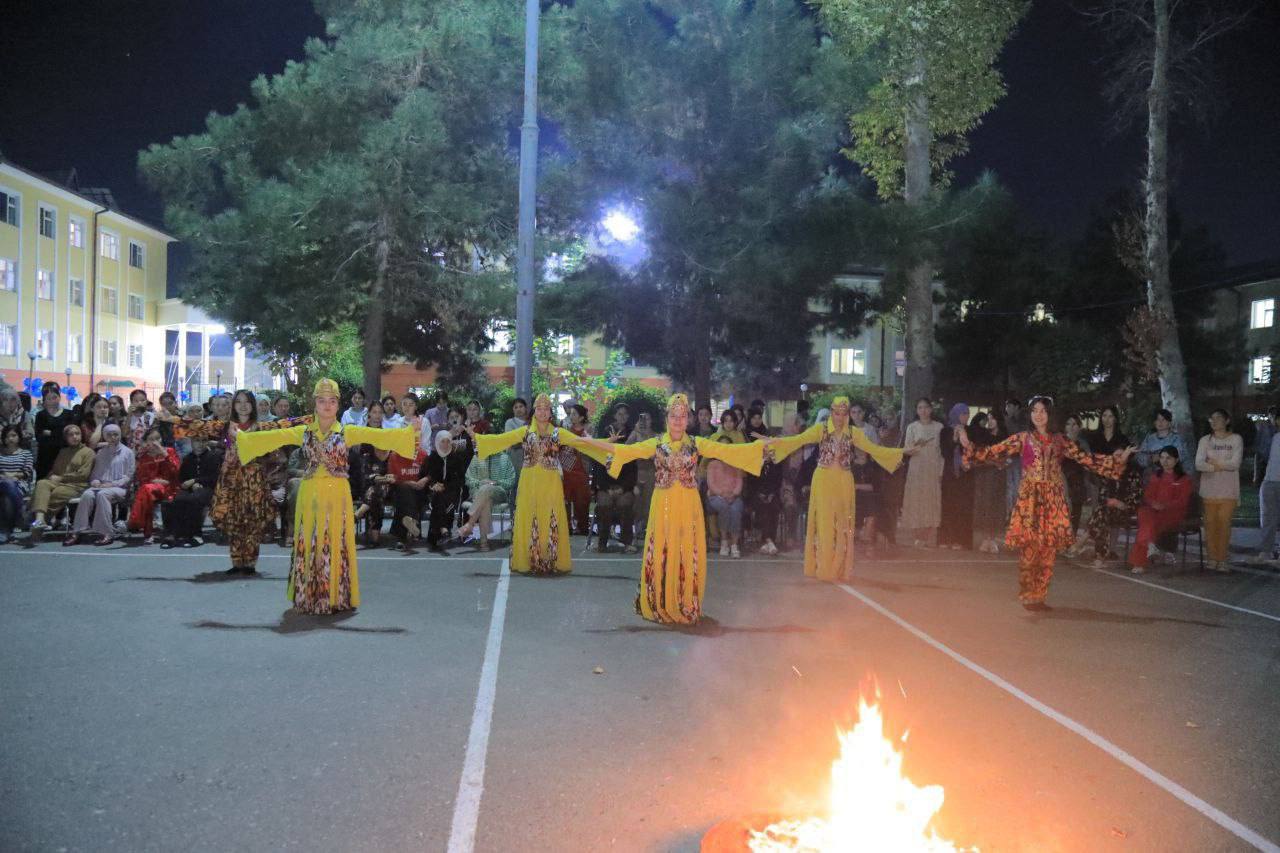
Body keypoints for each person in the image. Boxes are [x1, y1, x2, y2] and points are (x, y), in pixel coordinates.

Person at [579, 393, 764, 624]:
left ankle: (685, 603)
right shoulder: (656, 444)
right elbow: (623, 452)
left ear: (688, 419)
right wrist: (583, 441)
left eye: (682, 416)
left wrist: (759, 448)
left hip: (688, 505)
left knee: (686, 550)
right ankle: (659, 601)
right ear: (667, 417)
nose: (678, 420)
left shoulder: (697, 444)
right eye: (673, 415)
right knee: (662, 550)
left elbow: (729, 452)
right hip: (663, 504)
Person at [236, 378, 414, 613]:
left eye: (331, 401)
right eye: (322, 401)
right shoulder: (303, 431)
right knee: (310, 543)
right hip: (310, 496)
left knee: (335, 545)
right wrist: (244, 438)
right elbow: (273, 437)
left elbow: (380, 436)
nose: (327, 405)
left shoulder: (347, 432)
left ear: (338, 404)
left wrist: (409, 435)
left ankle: (335, 597)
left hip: (338, 495)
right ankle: (309, 597)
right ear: (315, 404)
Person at [956, 396, 1135, 608]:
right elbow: (994, 451)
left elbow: (1086, 459)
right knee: (1030, 547)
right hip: (1030, 497)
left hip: (1053, 498)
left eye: (1043, 411)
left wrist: (1118, 460)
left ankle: (1040, 595)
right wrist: (968, 445)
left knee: (1048, 548)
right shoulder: (1023, 438)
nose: (1038, 415)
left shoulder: (1060, 440)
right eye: (1035, 411)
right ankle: (1028, 594)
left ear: (1050, 415)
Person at [157, 389, 309, 574]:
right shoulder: (225, 426)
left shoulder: (262, 427)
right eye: (239, 402)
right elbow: (198, 426)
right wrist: (171, 419)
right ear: (234, 406)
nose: (243, 405)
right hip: (231, 480)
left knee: (251, 522)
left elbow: (288, 424)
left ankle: (250, 564)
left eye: (247, 402)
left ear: (252, 405)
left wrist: (317, 418)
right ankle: (237, 563)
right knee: (234, 521)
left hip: (253, 480)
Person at [768, 396, 903, 579]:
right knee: (824, 525)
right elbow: (797, 440)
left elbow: (874, 449)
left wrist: (901, 452)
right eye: (836, 412)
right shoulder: (820, 429)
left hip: (844, 481)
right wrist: (773, 443)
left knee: (843, 526)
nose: (839, 417)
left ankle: (839, 567)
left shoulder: (854, 433)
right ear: (832, 412)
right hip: (823, 480)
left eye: (843, 413)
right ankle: (823, 567)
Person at [472, 393, 607, 574]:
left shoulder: (558, 433)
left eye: (546, 408)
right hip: (529, 481)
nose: (542, 412)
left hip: (550, 482)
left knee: (550, 515)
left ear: (550, 412)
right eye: (539, 408)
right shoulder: (525, 431)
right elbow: (501, 440)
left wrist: (607, 444)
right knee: (529, 515)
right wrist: (477, 437)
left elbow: (582, 443)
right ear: (534, 411)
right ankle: (529, 559)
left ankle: (549, 559)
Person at [66, 423, 135, 546]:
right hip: (102, 487)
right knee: (87, 494)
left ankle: (107, 533)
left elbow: (129, 476)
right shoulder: (101, 453)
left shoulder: (128, 452)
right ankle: (77, 532)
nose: (113, 437)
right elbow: (95, 474)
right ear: (105, 437)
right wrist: (95, 482)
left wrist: (112, 484)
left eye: (116, 434)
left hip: (121, 488)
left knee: (102, 495)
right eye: (109, 435)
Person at [1128, 447, 1193, 574]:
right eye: (1162, 457)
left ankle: (1140, 561)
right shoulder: (1156, 476)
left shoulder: (1183, 479)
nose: (1165, 461)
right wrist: (1154, 504)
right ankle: (1150, 544)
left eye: (1168, 458)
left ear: (1176, 460)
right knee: (1145, 515)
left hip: (1173, 513)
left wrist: (1165, 506)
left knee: (1148, 525)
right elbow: (1148, 496)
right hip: (1154, 511)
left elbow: (1182, 501)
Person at [1195, 409, 1243, 572]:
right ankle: (1212, 558)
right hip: (1209, 491)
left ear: (1227, 420)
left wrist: (1213, 463)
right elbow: (1199, 464)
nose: (1214, 422)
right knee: (1210, 525)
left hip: (1228, 491)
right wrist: (1223, 464)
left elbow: (1235, 464)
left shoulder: (1236, 439)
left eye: (1218, 418)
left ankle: (1222, 559)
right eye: (1212, 419)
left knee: (1224, 523)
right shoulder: (1205, 441)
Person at [159, 436, 224, 548]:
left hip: (209, 489)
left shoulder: (214, 457)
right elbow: (182, 477)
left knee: (194, 500)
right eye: (197, 441)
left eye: (203, 440)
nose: (200, 444)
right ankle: (172, 535)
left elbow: (215, 477)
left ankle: (195, 535)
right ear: (192, 443)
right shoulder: (187, 458)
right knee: (173, 501)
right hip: (190, 488)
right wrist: (190, 484)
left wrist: (197, 481)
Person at [30, 424, 94, 537]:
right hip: (59, 483)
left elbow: (83, 475)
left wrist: (61, 478)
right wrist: (49, 479)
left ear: (81, 435)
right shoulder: (63, 451)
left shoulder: (88, 452)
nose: (75, 437)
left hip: (77, 485)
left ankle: (37, 519)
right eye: (71, 435)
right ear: (66, 437)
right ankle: (40, 520)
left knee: (53, 494)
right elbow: (55, 470)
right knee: (41, 483)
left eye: (77, 434)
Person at [1085, 453, 1143, 568]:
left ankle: (1095, 552)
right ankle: (1099, 556)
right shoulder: (1108, 473)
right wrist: (1111, 502)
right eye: (1116, 455)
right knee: (1102, 515)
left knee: (1100, 516)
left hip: (1126, 510)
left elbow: (1136, 496)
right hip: (1109, 509)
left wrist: (1121, 504)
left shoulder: (1133, 474)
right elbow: (1102, 496)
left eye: (1122, 455)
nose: (1119, 458)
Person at [457, 439, 517, 551]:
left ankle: (470, 524)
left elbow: (511, 480)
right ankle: (484, 543)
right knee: (486, 499)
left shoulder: (504, 458)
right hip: (479, 494)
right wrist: (480, 483)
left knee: (487, 489)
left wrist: (496, 482)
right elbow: (468, 479)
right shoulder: (477, 458)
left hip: (499, 492)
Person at [901, 398, 944, 547]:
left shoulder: (939, 427)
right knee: (916, 500)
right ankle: (917, 536)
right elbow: (906, 450)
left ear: (931, 409)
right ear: (916, 410)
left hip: (933, 469)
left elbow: (942, 452)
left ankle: (927, 535)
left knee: (930, 501)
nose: (923, 411)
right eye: (920, 408)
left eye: (926, 407)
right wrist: (916, 445)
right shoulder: (912, 427)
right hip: (917, 469)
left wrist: (941, 471)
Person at [126, 427, 180, 543]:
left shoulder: (169, 451)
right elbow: (141, 477)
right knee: (146, 492)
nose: (155, 442)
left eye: (157, 438)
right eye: (151, 439)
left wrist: (164, 454)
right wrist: (154, 481)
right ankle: (145, 530)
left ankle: (137, 523)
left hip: (170, 488)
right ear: (146, 442)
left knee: (145, 491)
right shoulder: (144, 457)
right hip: (151, 488)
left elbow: (177, 471)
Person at [424, 429, 467, 552]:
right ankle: (444, 529)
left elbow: (460, 480)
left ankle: (436, 534)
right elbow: (426, 475)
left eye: (448, 441)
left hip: (451, 492)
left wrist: (445, 486)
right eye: (442, 441)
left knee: (441, 499)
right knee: (438, 497)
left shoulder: (457, 459)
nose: (445, 444)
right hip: (434, 491)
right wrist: (433, 485)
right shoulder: (431, 458)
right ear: (437, 442)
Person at [969, 412, 1006, 553]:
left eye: (993, 418)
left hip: (998, 475)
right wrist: (990, 461)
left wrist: (1001, 461)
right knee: (984, 504)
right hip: (984, 474)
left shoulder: (1004, 437)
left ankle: (993, 539)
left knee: (996, 505)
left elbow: (1009, 454)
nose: (989, 421)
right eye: (988, 419)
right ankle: (985, 538)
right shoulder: (982, 435)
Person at [939, 403, 974, 550]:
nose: (965, 417)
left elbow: (974, 451)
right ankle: (945, 538)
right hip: (950, 474)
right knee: (948, 506)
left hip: (965, 475)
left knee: (963, 507)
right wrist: (954, 438)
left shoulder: (970, 431)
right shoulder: (945, 431)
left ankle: (961, 540)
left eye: (967, 414)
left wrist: (966, 441)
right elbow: (944, 452)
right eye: (962, 414)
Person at [705, 431, 746, 558]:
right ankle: (724, 542)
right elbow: (711, 484)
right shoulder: (712, 464)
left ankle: (734, 544)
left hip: (734, 496)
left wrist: (733, 494)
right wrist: (723, 494)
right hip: (715, 496)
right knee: (723, 506)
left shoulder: (736, 464)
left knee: (736, 509)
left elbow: (739, 483)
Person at [1248, 408, 1280, 565]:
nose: (1273, 420)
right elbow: (1260, 454)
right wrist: (1257, 477)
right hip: (1269, 481)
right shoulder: (1271, 435)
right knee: (1267, 518)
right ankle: (1266, 551)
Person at [591, 449, 637, 553]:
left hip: (625, 489)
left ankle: (627, 543)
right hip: (605, 489)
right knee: (604, 505)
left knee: (625, 504)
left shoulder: (629, 455)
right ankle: (602, 543)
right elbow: (598, 477)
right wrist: (607, 489)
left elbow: (632, 477)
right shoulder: (601, 455)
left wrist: (623, 489)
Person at [387, 441, 430, 549]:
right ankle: (412, 523)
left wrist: (424, 480)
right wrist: (407, 482)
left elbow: (431, 474)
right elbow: (392, 477)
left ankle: (402, 536)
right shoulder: (394, 455)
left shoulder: (423, 454)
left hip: (420, 491)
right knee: (405, 491)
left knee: (408, 499)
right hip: (400, 490)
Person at [0, 424, 35, 543]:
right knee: (7, 484)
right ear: (3, 438)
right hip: (1, 482)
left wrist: (12, 476)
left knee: (6, 498)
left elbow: (27, 472)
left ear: (19, 437)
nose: (10, 438)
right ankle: (21, 512)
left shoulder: (26, 453)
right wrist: (6, 477)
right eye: (7, 436)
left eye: (13, 435)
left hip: (20, 484)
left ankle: (5, 531)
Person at [1061, 414, 1091, 553]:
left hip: (1078, 482)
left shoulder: (1083, 444)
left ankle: (1070, 542)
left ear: (1079, 427)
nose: (1072, 427)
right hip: (1061, 480)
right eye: (1069, 424)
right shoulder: (1060, 441)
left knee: (1075, 513)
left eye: (1075, 424)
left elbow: (1087, 464)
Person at [33, 383, 75, 480]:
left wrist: (50, 433)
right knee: (43, 485)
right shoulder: (40, 415)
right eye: (49, 398)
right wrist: (60, 432)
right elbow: (39, 437)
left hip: (65, 454)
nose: (52, 401)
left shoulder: (69, 414)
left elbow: (69, 434)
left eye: (55, 397)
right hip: (45, 456)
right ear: (44, 400)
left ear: (59, 397)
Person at [627, 411, 658, 535]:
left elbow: (657, 454)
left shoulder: (656, 436)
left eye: (648, 419)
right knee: (637, 500)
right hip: (636, 471)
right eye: (642, 419)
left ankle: (648, 526)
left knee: (649, 500)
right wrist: (637, 433)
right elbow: (626, 449)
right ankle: (637, 525)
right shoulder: (635, 433)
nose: (645, 422)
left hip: (652, 471)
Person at [1135, 408, 1189, 476]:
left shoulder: (1177, 439)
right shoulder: (1149, 439)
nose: (1160, 422)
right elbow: (1140, 458)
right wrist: (1150, 459)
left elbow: (1182, 457)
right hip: (1151, 477)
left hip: (1171, 476)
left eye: (1163, 420)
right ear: (1154, 422)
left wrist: (1161, 457)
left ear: (1169, 423)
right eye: (1158, 419)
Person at [1002, 397, 1028, 518]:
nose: (1007, 409)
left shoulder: (1022, 421)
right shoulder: (1007, 420)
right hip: (1010, 455)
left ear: (1016, 407)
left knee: (1016, 484)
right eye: (1007, 406)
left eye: (1009, 406)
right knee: (1010, 485)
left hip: (1019, 456)